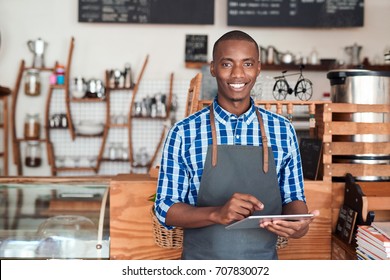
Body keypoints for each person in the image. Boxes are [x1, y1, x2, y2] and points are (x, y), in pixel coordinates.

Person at [154, 30, 319, 260]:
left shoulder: (283, 130)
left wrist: (299, 225)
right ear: (213, 68)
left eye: (248, 64)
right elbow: (165, 208)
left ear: (258, 68)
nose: (238, 74)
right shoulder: (183, 132)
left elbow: (293, 198)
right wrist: (216, 213)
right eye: (227, 64)